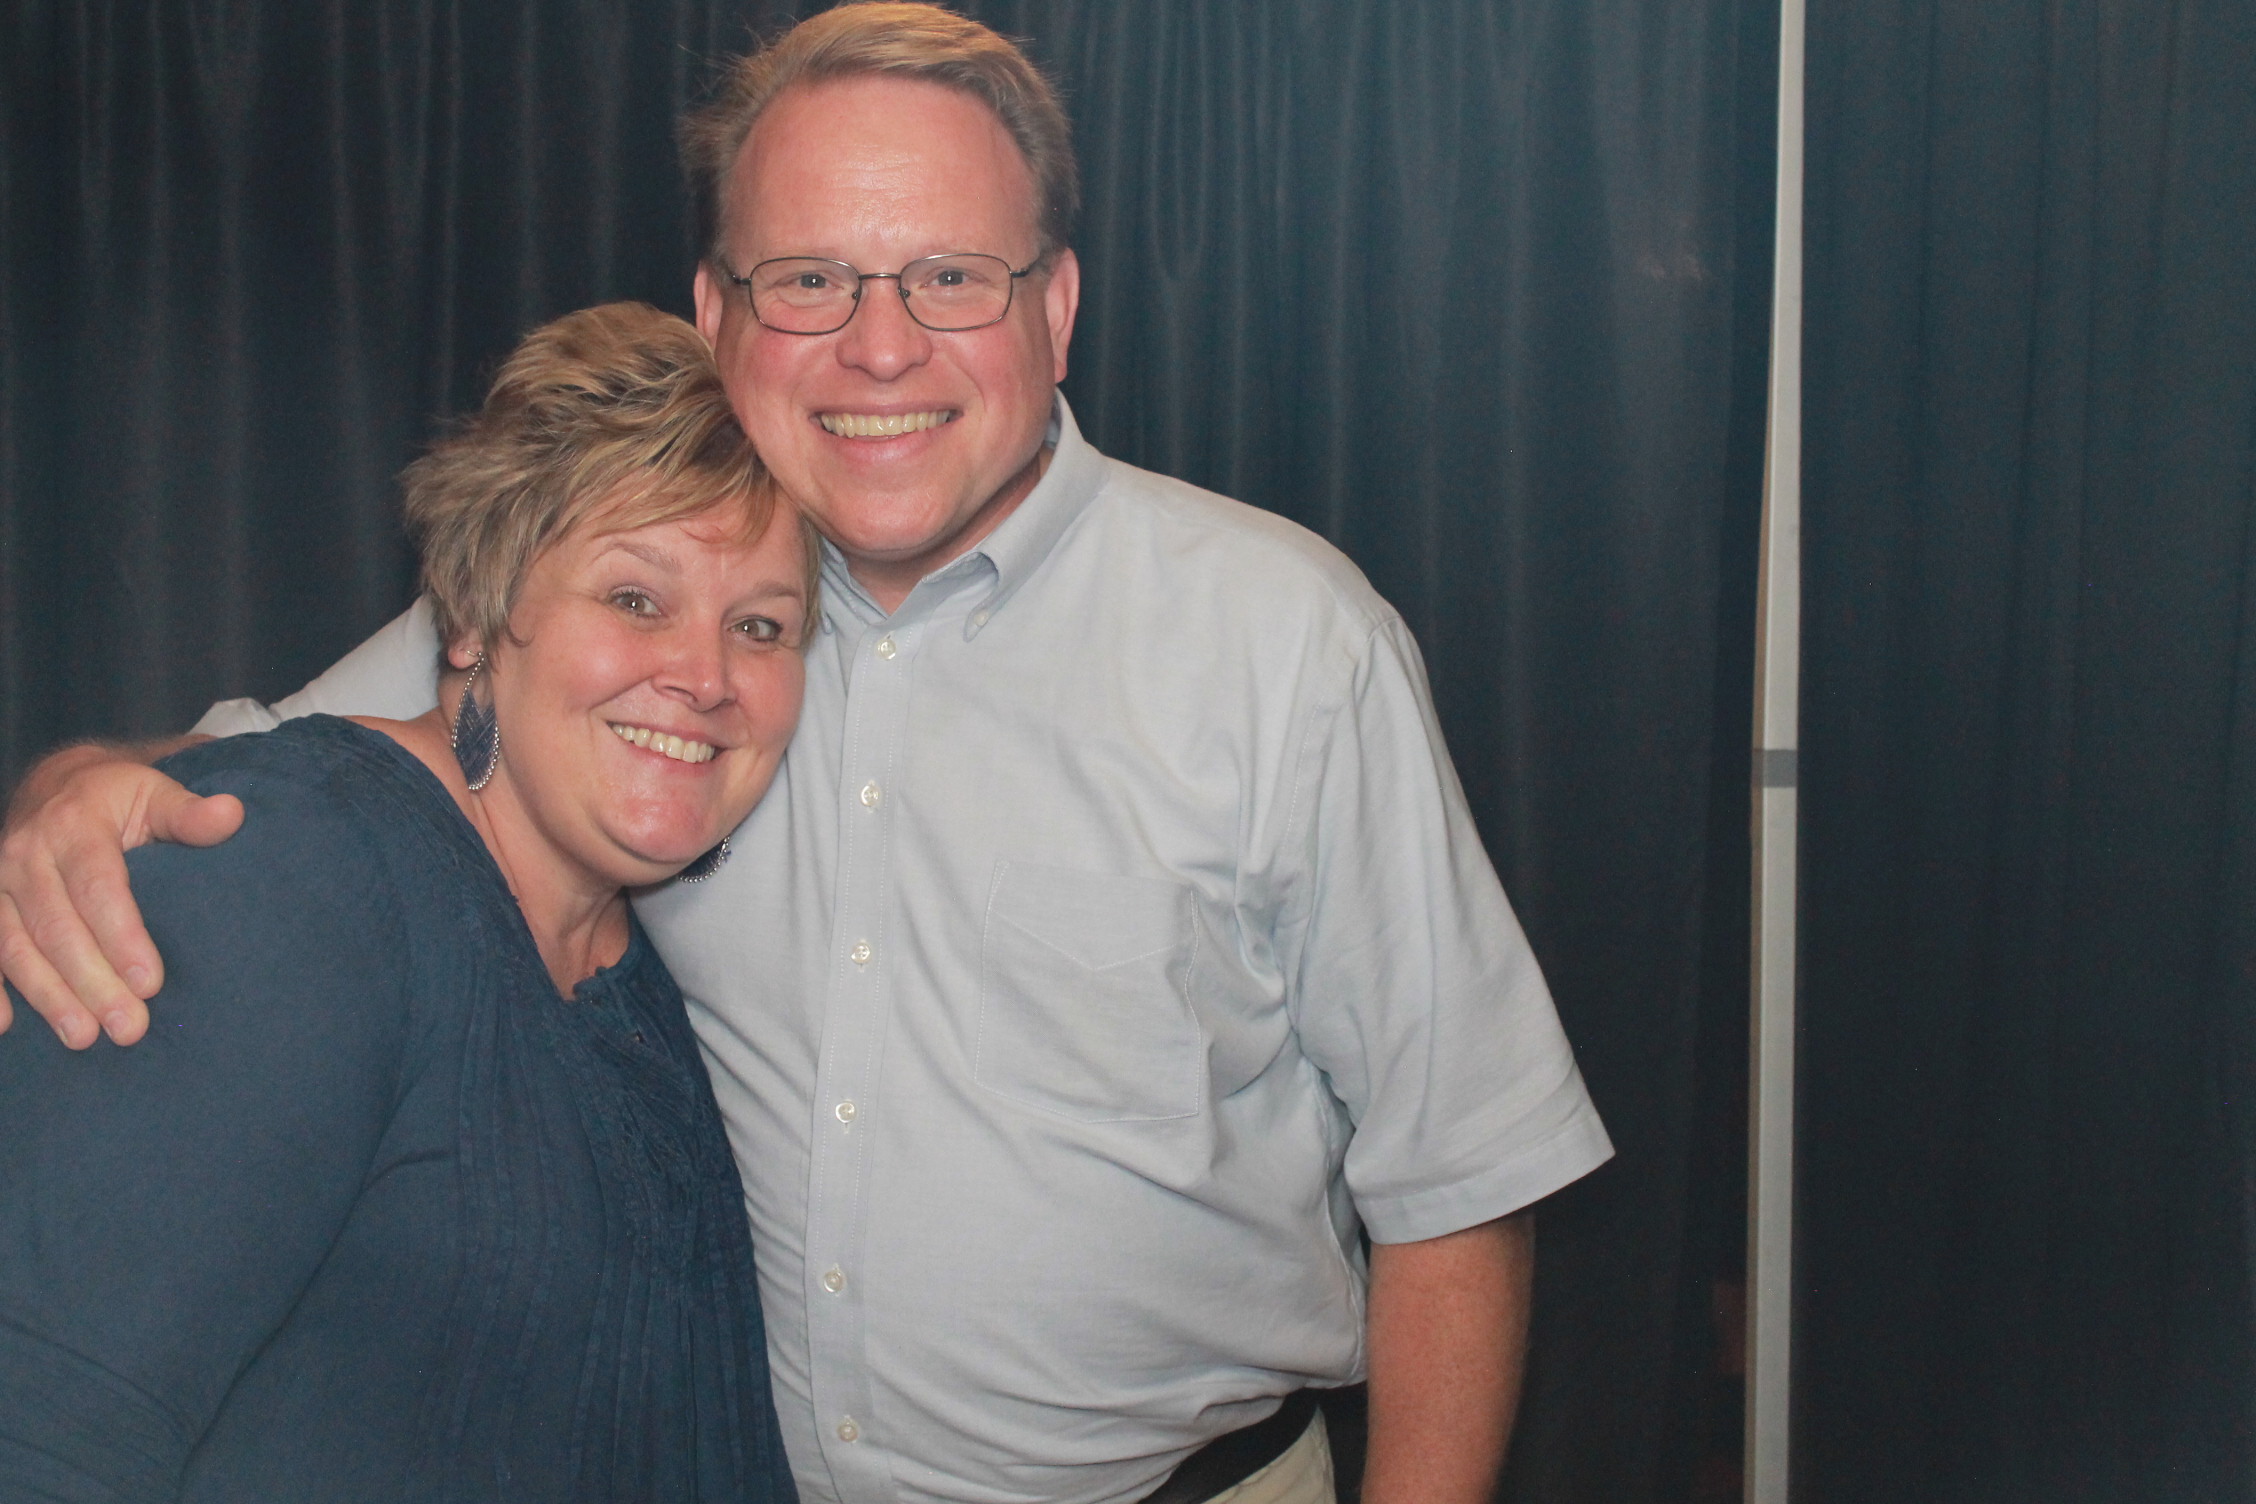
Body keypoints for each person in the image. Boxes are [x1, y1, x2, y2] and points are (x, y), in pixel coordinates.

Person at [0, 7, 1615, 1503]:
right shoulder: (636, 608)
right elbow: (303, 768)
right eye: (812, 279)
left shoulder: (1283, 638)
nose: (881, 344)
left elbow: (1459, 1178)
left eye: (950, 277)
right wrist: (76, 791)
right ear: (722, 314)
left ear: (1054, 305)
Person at [0, 302, 812, 1502]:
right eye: (637, 599)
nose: (705, 677)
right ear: (480, 614)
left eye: (761, 626)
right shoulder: (291, 877)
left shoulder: (631, 988)